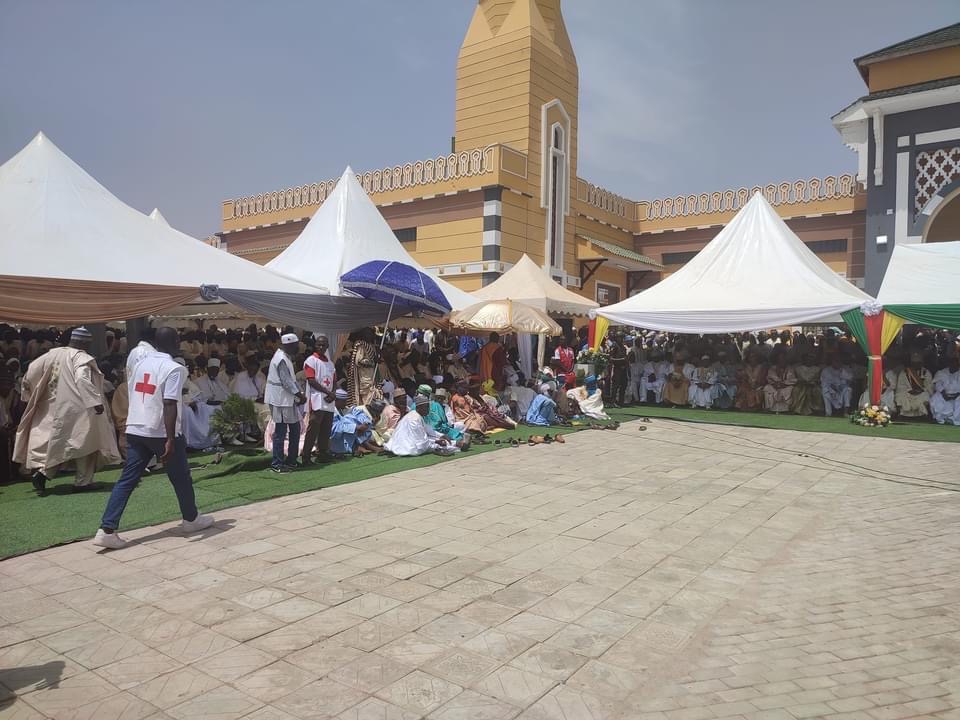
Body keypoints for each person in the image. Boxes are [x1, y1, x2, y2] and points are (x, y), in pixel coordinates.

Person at [94, 327, 214, 549]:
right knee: (181, 478)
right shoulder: (175, 368)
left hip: (136, 427)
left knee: (127, 479)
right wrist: (169, 438)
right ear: (176, 341)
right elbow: (169, 403)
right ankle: (191, 519)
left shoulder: (139, 363)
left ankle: (106, 529)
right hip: (160, 430)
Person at [15, 327, 120, 494]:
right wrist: (95, 402)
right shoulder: (81, 357)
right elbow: (82, 379)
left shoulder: (51, 354)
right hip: (77, 408)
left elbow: (30, 374)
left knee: (59, 445)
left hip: (51, 408)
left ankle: (43, 474)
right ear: (84, 343)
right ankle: (83, 482)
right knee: (85, 444)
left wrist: (29, 395)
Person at [266, 333, 305, 473]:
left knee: (295, 429)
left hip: (287, 399)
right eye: (295, 346)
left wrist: (299, 393)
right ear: (288, 345)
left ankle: (292, 460)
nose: (297, 348)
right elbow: (286, 382)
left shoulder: (286, 357)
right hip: (279, 400)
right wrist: (299, 395)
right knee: (280, 432)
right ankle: (277, 463)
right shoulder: (281, 358)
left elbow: (291, 379)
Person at [302, 335, 336, 465]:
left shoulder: (330, 363)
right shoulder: (310, 361)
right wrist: (328, 392)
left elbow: (334, 380)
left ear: (327, 346)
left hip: (329, 400)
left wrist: (333, 393)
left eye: (323, 345)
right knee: (313, 428)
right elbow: (311, 380)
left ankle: (323, 453)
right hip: (317, 398)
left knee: (326, 429)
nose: (321, 347)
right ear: (315, 345)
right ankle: (306, 456)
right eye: (319, 345)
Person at [385, 394, 457, 457]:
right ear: (419, 408)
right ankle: (456, 445)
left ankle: (456, 444)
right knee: (438, 443)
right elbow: (422, 444)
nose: (429, 410)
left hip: (413, 442)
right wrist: (436, 442)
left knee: (437, 439)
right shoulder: (414, 419)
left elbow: (428, 430)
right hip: (407, 447)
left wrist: (441, 436)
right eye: (426, 407)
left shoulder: (417, 415)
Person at [331, 389, 380, 457]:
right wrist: (356, 427)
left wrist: (364, 424)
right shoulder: (331, 412)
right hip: (336, 441)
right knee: (348, 419)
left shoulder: (346, 409)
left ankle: (360, 446)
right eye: (343, 401)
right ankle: (365, 445)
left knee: (357, 419)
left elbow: (360, 414)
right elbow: (334, 428)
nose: (345, 403)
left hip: (351, 436)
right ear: (336, 401)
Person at [896, 353, 933, 418]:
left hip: (921, 392)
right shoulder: (904, 372)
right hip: (908, 392)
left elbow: (929, 386)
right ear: (911, 363)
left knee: (926, 395)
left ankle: (923, 413)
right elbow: (900, 385)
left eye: (918, 363)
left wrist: (920, 390)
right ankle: (903, 413)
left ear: (921, 363)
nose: (916, 365)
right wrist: (909, 390)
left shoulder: (926, 372)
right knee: (900, 394)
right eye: (914, 363)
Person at [348, 328, 378, 407]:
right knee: (366, 396)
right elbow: (359, 361)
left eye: (370, 334)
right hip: (364, 375)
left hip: (371, 374)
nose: (369, 336)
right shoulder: (361, 345)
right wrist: (371, 363)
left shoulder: (371, 345)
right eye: (367, 334)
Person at [930, 354, 960, 425]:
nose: (953, 364)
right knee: (935, 398)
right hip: (944, 394)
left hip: (958, 395)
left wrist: (957, 394)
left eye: (955, 362)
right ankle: (941, 418)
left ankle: (956, 420)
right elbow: (937, 384)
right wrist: (943, 393)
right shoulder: (941, 372)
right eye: (952, 362)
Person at [608, 336, 629, 407]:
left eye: (622, 337)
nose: (621, 339)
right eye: (620, 337)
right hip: (617, 368)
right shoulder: (614, 346)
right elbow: (610, 358)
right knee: (615, 385)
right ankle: (613, 401)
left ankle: (621, 401)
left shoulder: (623, 347)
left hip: (623, 368)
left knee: (624, 385)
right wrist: (621, 359)